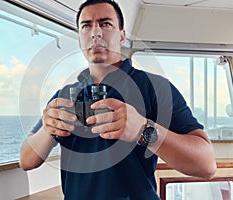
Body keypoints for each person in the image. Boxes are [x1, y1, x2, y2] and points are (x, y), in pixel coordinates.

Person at [19, 0, 217, 199]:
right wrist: (47, 129)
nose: (96, 33)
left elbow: (206, 165)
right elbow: (26, 160)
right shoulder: (63, 96)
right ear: (79, 38)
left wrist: (143, 129)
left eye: (106, 24)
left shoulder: (156, 88)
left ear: (122, 36)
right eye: (86, 26)